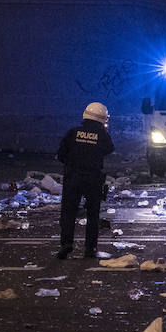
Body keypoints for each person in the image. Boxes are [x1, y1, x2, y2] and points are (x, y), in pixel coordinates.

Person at [56, 102, 115, 259]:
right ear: (103, 118)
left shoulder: (73, 132)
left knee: (68, 212)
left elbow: (61, 155)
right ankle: (90, 248)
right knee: (92, 215)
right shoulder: (102, 135)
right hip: (93, 179)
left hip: (73, 177)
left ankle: (66, 244)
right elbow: (109, 149)